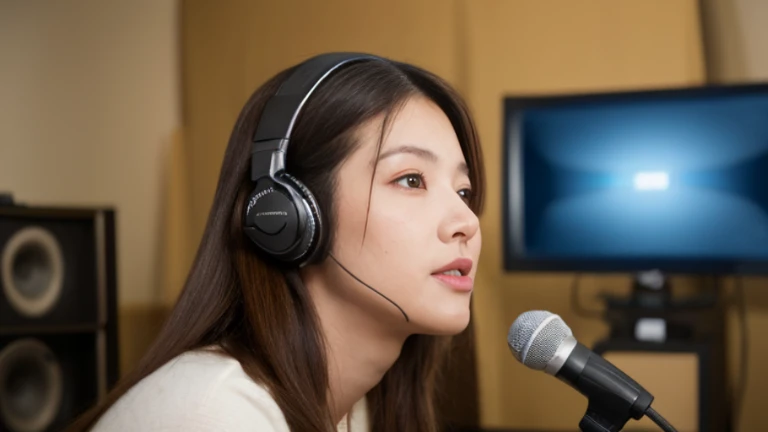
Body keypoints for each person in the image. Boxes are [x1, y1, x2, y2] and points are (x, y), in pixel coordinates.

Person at [66, 52, 485, 432]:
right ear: (288, 214)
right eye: (411, 180)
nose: (465, 221)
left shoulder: (357, 409)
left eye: (463, 192)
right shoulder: (209, 414)